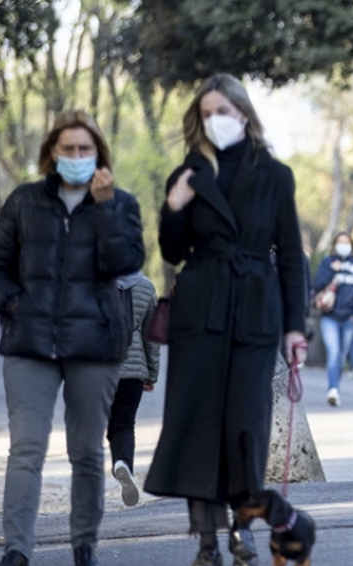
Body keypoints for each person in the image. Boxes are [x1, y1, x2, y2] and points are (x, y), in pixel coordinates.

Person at [143, 74, 308, 566]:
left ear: (243, 114)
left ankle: (244, 526)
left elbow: (292, 256)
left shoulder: (276, 175)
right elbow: (172, 251)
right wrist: (172, 210)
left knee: (246, 426)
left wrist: (295, 327)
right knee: (199, 425)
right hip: (202, 307)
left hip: (256, 308)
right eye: (207, 112)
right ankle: (207, 539)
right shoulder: (188, 174)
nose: (217, 119)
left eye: (224, 110)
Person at [0, 111, 145, 566]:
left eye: (85, 149)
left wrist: (107, 206)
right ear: (52, 152)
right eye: (68, 149)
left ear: (99, 154)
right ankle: (17, 551)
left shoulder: (121, 204)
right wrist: (14, 305)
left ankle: (84, 547)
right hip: (31, 343)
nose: (76, 156)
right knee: (26, 449)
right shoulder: (24, 201)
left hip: (95, 346)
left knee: (88, 452)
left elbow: (125, 264)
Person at [106, 271, 160, 507]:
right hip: (133, 371)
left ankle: (87, 485)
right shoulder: (146, 287)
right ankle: (123, 462)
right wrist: (151, 373)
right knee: (124, 424)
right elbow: (152, 336)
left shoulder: (92, 281)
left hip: (99, 369)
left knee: (95, 425)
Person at [313, 232, 353, 406]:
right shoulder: (327, 261)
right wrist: (331, 270)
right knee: (334, 352)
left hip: (349, 318)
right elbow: (317, 284)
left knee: (341, 356)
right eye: (340, 242)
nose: (343, 245)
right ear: (334, 245)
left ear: (352, 246)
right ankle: (333, 389)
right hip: (330, 316)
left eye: (346, 243)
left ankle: (335, 386)